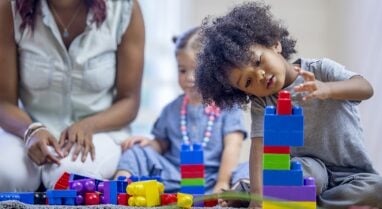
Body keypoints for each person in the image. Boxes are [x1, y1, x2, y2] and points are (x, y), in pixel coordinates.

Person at [195, 2, 382, 209]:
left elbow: (365, 88)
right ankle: (273, 195)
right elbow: (259, 148)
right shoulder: (263, 102)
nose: (259, 75)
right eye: (248, 82)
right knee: (300, 175)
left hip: (351, 173)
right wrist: (257, 196)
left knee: (378, 190)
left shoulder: (320, 70)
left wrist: (327, 89)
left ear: (274, 44)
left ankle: (302, 203)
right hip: (305, 170)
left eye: (258, 61)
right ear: (244, 92)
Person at [0, 0, 144, 191]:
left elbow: (130, 101)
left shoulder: (124, 8)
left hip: (98, 132)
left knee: (70, 176)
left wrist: (89, 125)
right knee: (8, 174)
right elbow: (4, 102)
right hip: (27, 129)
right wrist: (30, 130)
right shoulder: (9, 8)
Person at [115, 27, 249, 195]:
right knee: (135, 152)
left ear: (215, 70)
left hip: (213, 179)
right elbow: (162, 144)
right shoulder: (172, 109)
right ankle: (120, 189)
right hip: (174, 177)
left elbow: (233, 146)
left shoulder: (228, 106)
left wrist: (222, 182)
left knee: (251, 167)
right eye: (183, 70)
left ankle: (235, 193)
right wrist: (149, 144)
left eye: (197, 70)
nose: (189, 78)